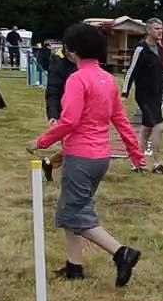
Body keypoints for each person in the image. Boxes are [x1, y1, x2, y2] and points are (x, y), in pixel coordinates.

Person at [28, 23, 147, 286]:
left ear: (72, 51)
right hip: (100, 158)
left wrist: (41, 142)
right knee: (72, 207)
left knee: (73, 214)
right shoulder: (108, 80)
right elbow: (121, 120)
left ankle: (121, 252)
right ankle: (74, 266)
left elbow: (69, 121)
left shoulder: (77, 80)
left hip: (80, 157)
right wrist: (135, 153)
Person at [123, 18, 163, 175]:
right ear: (148, 31)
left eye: (161, 28)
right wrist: (124, 94)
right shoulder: (141, 49)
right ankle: (157, 164)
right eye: (157, 28)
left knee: (146, 129)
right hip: (144, 95)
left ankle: (137, 162)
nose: (160, 31)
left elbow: (161, 73)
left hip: (156, 94)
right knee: (159, 126)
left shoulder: (159, 49)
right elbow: (130, 72)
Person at [40, 42, 80, 182]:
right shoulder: (58, 66)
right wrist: (53, 115)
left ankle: (50, 164)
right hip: (66, 113)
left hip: (85, 112)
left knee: (78, 146)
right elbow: (53, 92)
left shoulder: (85, 63)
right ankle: (69, 177)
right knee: (72, 147)